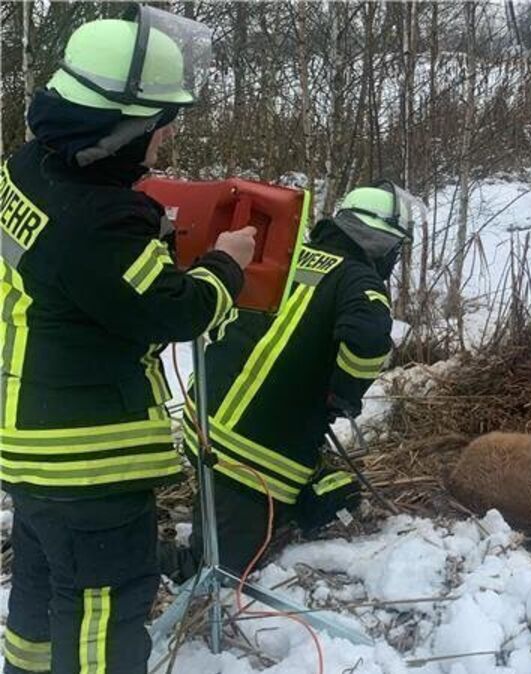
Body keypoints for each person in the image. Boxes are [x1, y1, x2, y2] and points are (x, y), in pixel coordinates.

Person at [0, 9, 254, 674]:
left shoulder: (28, 168)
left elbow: (84, 275)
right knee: (102, 620)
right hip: (89, 463)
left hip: (30, 448)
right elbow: (173, 311)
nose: (166, 135)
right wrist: (226, 263)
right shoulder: (105, 221)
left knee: (39, 599)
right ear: (123, 128)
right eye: (160, 121)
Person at [159, 183, 411, 583]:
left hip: (203, 421)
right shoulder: (360, 282)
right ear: (381, 243)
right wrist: (343, 393)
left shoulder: (286, 254)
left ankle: (242, 503)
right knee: (219, 571)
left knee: (324, 495)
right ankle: (133, 556)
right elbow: (367, 344)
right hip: (252, 452)